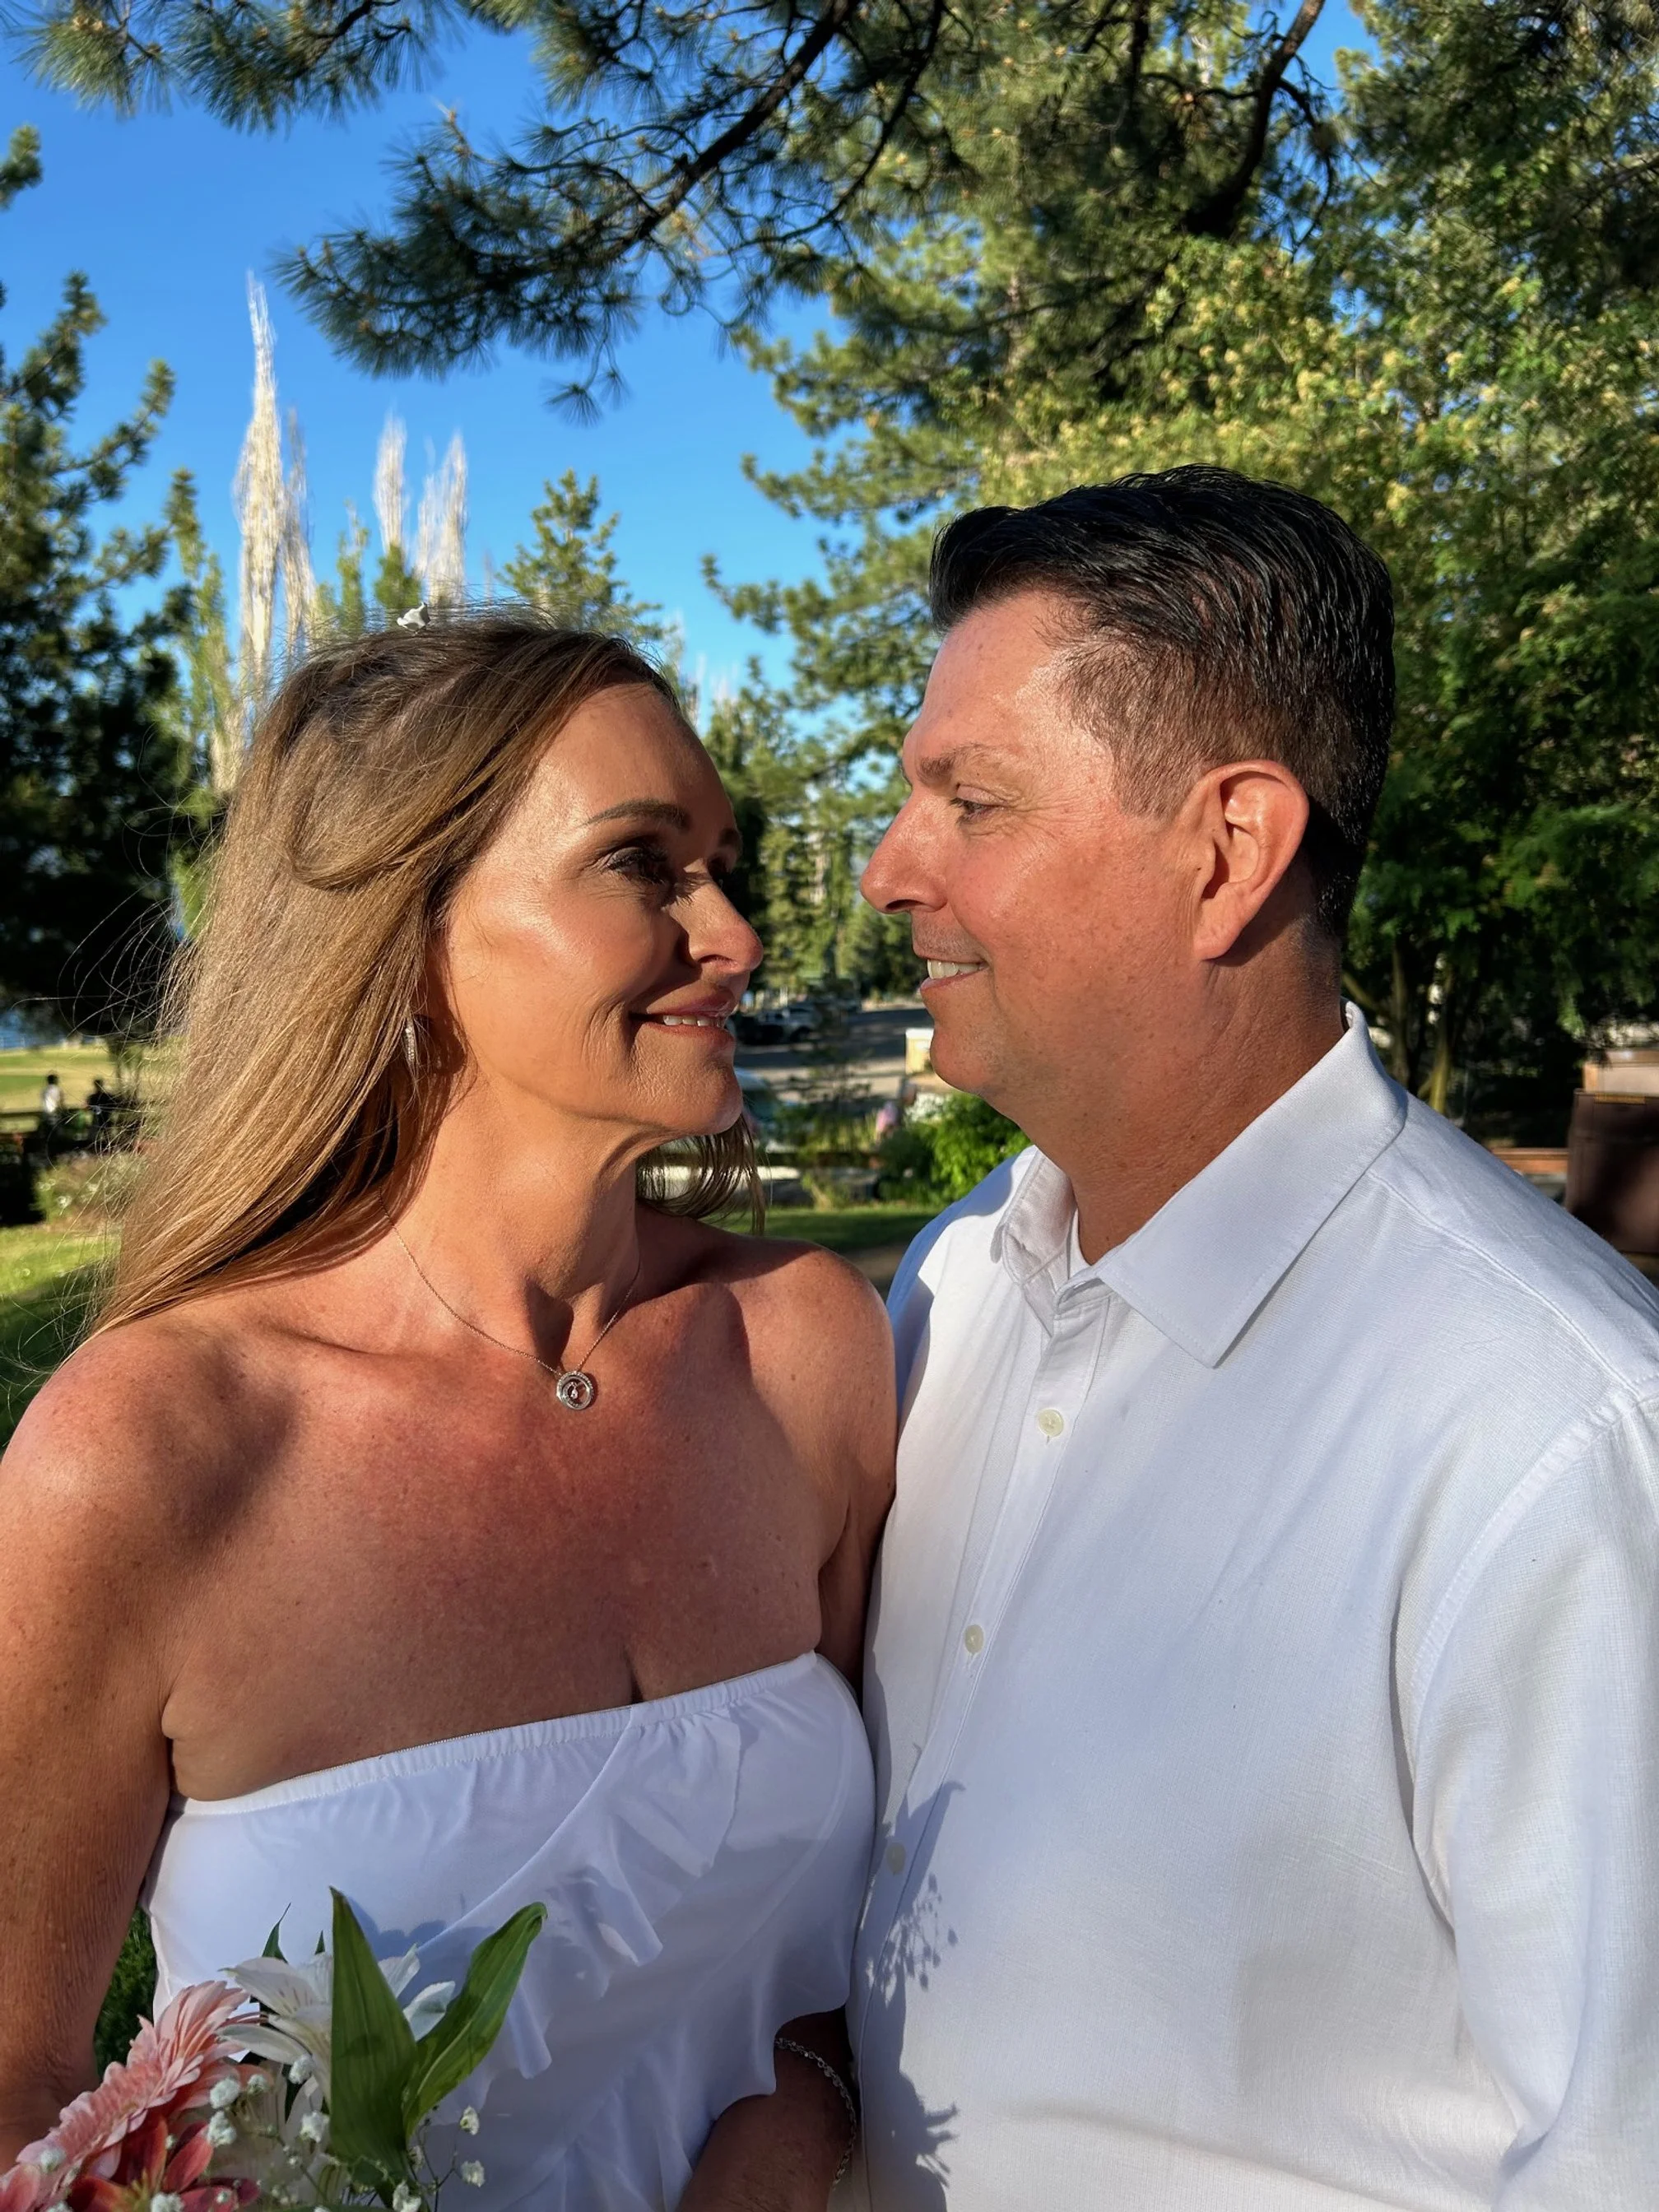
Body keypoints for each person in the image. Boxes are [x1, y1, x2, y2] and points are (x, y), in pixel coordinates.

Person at [0, 616, 895, 2212]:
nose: (740, 935)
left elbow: (877, 1902)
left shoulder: (801, 1353)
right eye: (646, 865)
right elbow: (14, 2067)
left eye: (722, 861)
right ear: (411, 941)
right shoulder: (149, 1456)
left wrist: (797, 2123)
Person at [850, 467, 1659, 2209]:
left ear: (1228, 852)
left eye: (967, 803)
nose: (884, 870)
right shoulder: (948, 1294)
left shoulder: (1557, 1435)